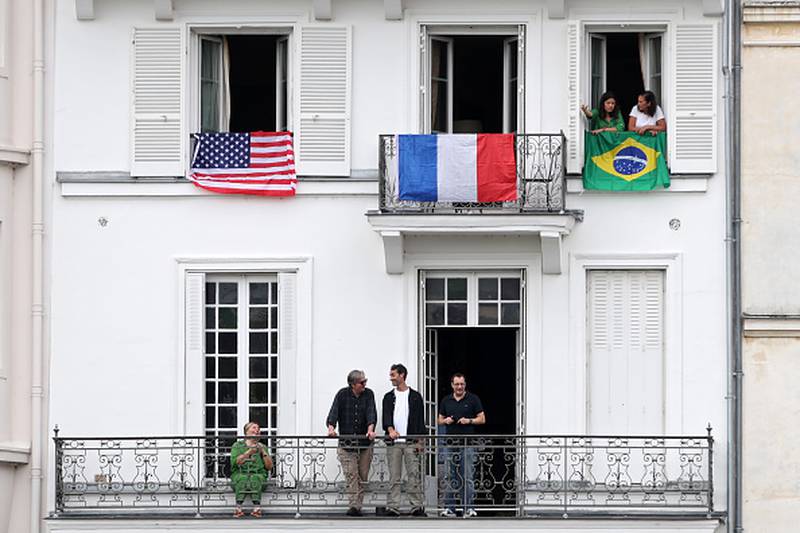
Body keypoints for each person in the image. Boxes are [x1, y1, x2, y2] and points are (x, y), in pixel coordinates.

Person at [326, 369, 377, 517]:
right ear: (353, 384)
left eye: (365, 381)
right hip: (347, 444)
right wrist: (331, 429)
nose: (365, 384)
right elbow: (333, 413)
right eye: (362, 382)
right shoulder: (342, 394)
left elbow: (371, 412)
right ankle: (355, 506)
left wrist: (370, 429)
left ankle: (357, 503)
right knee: (351, 475)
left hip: (364, 444)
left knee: (362, 476)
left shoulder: (368, 394)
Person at [437, 373, 485, 518]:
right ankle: (450, 509)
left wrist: (469, 421)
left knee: (467, 476)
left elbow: (482, 418)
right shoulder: (446, 400)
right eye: (457, 384)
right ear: (452, 385)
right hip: (450, 444)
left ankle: (468, 508)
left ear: (465, 384)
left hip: (467, 444)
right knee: (449, 476)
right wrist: (446, 421)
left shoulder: (473, 399)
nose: (459, 387)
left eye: (462, 384)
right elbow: (439, 420)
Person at [382, 363, 426, 517]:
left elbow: (421, 421)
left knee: (413, 475)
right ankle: (393, 507)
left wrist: (421, 441)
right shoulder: (388, 397)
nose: (391, 378)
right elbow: (386, 417)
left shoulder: (415, 397)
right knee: (394, 476)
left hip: (411, 441)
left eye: (393, 375)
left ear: (402, 375)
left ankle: (416, 506)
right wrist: (390, 430)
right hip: (394, 443)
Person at [230, 421, 273, 518]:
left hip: (259, 476)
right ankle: (238, 508)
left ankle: (257, 508)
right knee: (243, 478)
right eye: (254, 428)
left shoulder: (263, 446)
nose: (257, 430)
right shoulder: (237, 446)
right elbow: (236, 463)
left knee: (255, 478)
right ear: (246, 432)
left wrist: (263, 452)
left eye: (258, 429)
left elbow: (269, 467)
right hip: (239, 474)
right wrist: (249, 452)